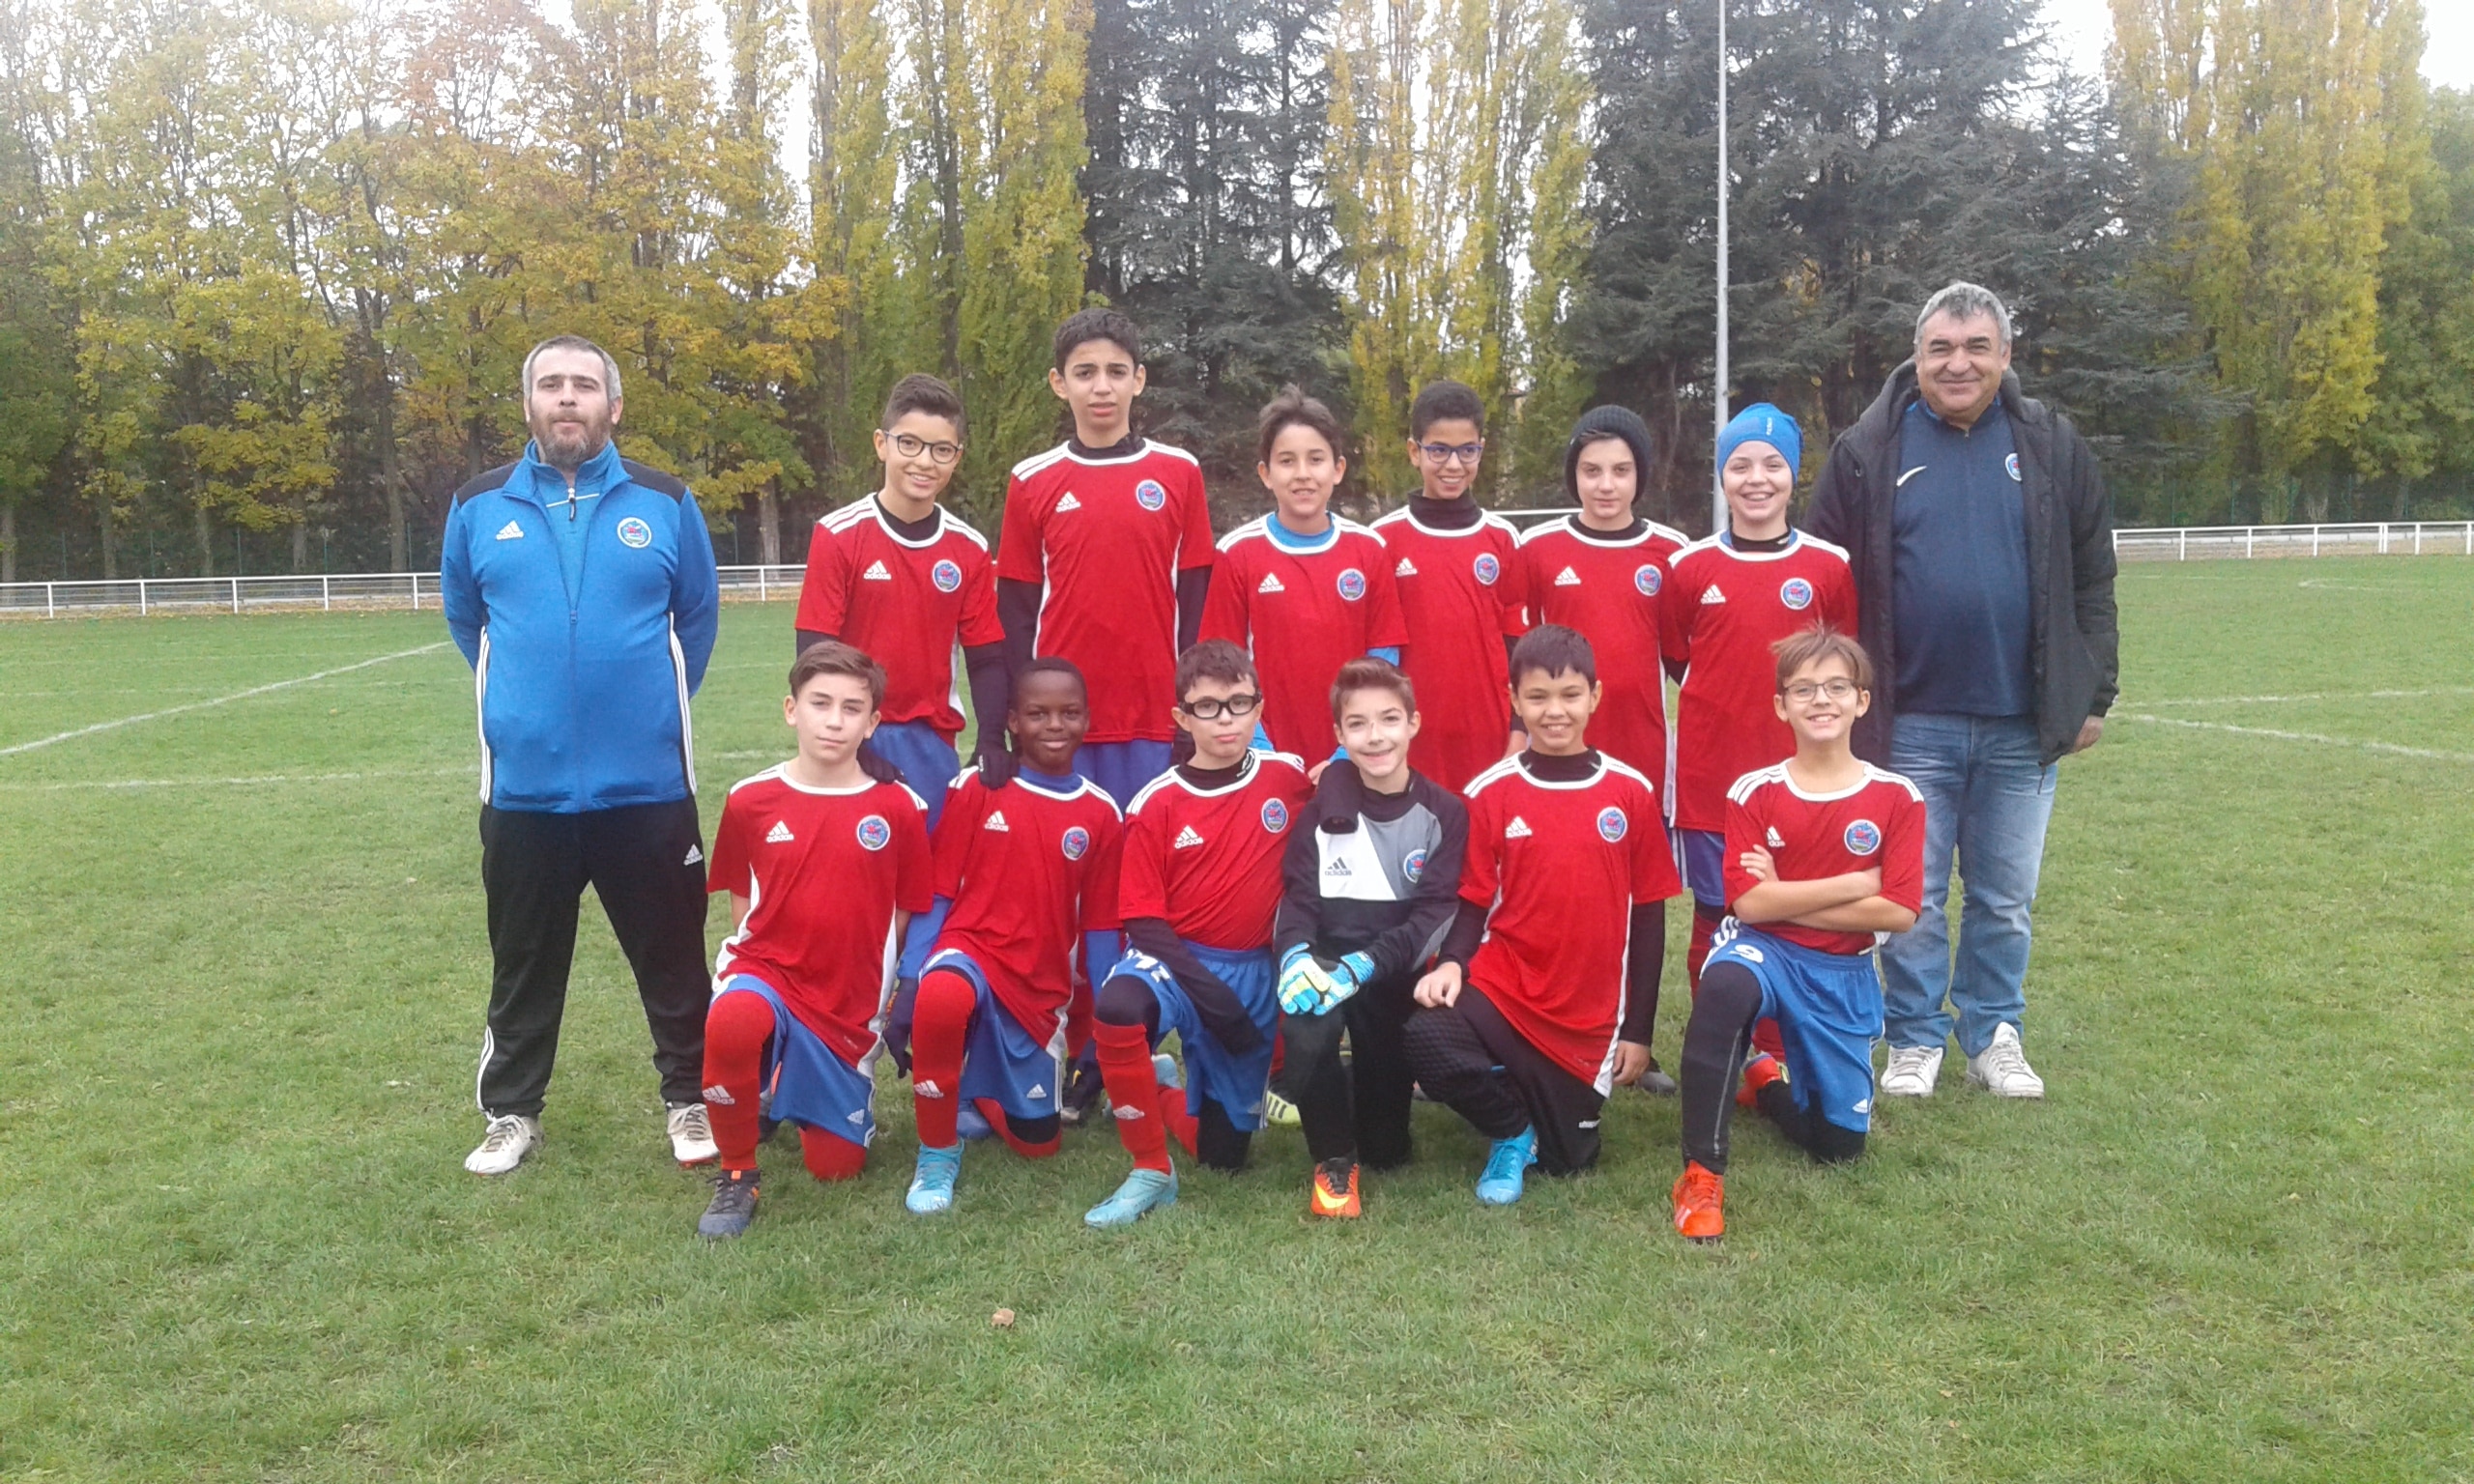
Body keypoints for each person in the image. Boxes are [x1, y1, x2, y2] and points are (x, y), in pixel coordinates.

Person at [1807, 281, 2118, 1100]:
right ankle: (1913, 1039)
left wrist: (2096, 695)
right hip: (1907, 722)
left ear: (2005, 357)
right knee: (1908, 893)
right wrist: (1832, 698)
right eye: (1942, 348)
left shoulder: (2050, 443)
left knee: (2005, 898)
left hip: (2023, 722)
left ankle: (1994, 1034)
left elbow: (2094, 577)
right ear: (1917, 357)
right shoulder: (1868, 448)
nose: (1959, 363)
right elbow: (1822, 582)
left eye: (1977, 347)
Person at [440, 333, 722, 1177]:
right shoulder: (477, 504)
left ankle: (692, 1098)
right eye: (552, 386)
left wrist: (641, 716)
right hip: (525, 792)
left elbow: (697, 621)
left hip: (648, 788)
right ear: (529, 405)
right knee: (522, 961)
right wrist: (521, 710)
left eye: (585, 386)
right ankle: (512, 1113)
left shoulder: (667, 503)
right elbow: (467, 620)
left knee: (674, 959)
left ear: (613, 406)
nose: (569, 398)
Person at [1405, 625, 1681, 1206]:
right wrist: (1453, 962)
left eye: (1569, 695)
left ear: (1595, 697)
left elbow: (1650, 915)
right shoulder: (1491, 790)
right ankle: (1510, 1128)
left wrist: (1638, 1031)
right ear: (1514, 701)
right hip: (1509, 987)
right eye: (1537, 697)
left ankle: (1538, 1101)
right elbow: (1475, 899)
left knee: (1570, 1163)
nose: (1555, 711)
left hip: (1589, 1013)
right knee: (1428, 1034)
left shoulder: (1630, 791)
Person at [1671, 626, 1923, 1242]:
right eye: (1803, 689)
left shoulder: (1897, 798)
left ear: (1862, 700)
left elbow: (1900, 912)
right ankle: (1700, 1176)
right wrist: (1856, 883)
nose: (1821, 700)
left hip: (1843, 973)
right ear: (1781, 705)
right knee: (1724, 987)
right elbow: (1750, 905)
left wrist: (1787, 894)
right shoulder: (1754, 791)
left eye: (1838, 686)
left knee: (1836, 1148)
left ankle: (1766, 1084)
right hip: (1765, 951)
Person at [693, 642, 934, 1240]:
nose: (834, 719)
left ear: (873, 722)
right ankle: (738, 1173)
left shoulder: (899, 807)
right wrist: (747, 972)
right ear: (790, 710)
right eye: (820, 703)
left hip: (847, 1001)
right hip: (769, 970)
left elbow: (908, 910)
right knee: (732, 1021)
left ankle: (784, 1086)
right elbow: (742, 900)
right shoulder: (750, 799)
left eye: (853, 708)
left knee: (836, 1169)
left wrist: (890, 985)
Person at [1081, 641, 1312, 1228]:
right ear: (1181, 718)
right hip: (1175, 959)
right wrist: (1213, 998)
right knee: (1118, 1007)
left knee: (1224, 1157)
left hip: (1253, 970)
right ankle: (1150, 1170)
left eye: (1239, 703)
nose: (1226, 718)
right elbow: (1144, 922)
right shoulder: (1156, 802)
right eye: (1207, 707)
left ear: (1259, 708)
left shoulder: (1287, 779)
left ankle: (1157, 1089)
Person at [889, 659, 1125, 1215]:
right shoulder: (978, 786)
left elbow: (1099, 927)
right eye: (1038, 713)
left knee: (1037, 1145)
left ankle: (975, 1087)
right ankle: (936, 1151)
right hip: (969, 950)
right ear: (1013, 721)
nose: (1054, 725)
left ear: (1088, 721)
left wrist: (1110, 1022)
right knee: (943, 996)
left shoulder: (1100, 813)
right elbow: (940, 892)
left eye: (1069, 713)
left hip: (1039, 989)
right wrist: (910, 980)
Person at [1511, 406, 1687, 1095]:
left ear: (1641, 475)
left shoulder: (1671, 553)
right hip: (1554, 762)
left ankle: (1631, 1035)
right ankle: (1558, 1026)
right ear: (1573, 476)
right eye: (1591, 471)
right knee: (1561, 896)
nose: (1605, 485)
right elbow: (1517, 655)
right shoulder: (1541, 551)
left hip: (1641, 762)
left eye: (1620, 470)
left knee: (1636, 901)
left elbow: (1683, 661)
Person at [1663, 405, 1858, 1015]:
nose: (1756, 478)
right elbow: (1677, 658)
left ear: (1793, 476)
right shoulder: (1688, 568)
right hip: (1711, 781)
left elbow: (1843, 667)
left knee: (1796, 908)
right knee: (1717, 910)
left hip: (1803, 782)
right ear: (1721, 476)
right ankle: (1720, 1041)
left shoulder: (1829, 566)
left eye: (1773, 465)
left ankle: (1786, 1042)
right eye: (1739, 464)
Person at [1272, 658, 1468, 1217]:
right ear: (1339, 736)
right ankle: (1332, 1161)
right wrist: (1294, 959)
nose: (1375, 736)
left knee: (1388, 1151)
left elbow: (1433, 915)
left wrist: (1361, 966)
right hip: (1325, 962)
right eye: (1357, 724)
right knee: (1307, 1030)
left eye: (1388, 719)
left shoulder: (1445, 814)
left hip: (1388, 972)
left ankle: (1364, 1103)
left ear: (1413, 723)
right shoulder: (1320, 813)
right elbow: (1298, 900)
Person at [996, 309, 1216, 807]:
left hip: (1155, 715)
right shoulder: (1031, 480)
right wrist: (1017, 715)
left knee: (1145, 861)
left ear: (1138, 380)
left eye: (1116, 372)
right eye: (1084, 372)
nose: (1102, 387)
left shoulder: (1179, 473)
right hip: (1061, 720)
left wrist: (1194, 706)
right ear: (1059, 383)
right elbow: (1016, 610)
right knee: (1067, 866)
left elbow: (1198, 602)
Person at [793, 373, 1007, 829]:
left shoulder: (968, 548)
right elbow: (815, 655)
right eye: (909, 444)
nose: (924, 462)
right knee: (854, 887)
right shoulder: (838, 534)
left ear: (956, 458)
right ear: (881, 444)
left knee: (928, 890)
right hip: (849, 737)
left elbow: (986, 658)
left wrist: (991, 738)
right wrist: (856, 742)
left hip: (931, 745)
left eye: (941, 450)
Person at [1201, 387, 1405, 759]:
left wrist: (1349, 750)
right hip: (1265, 753)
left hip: (1355, 754)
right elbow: (1221, 666)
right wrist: (1260, 747)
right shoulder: (1237, 553)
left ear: (1338, 469)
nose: (1303, 475)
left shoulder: (1369, 549)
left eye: (1315, 460)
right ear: (1265, 473)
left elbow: (1383, 660)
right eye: (1287, 461)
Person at [1370, 381, 1525, 793]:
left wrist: (1520, 729)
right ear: (1413, 451)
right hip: (1407, 739)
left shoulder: (1503, 538)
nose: (1453, 464)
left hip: (1488, 738)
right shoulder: (1381, 540)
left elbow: (1518, 646)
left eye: (1467, 450)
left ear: (1481, 450)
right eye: (1439, 450)